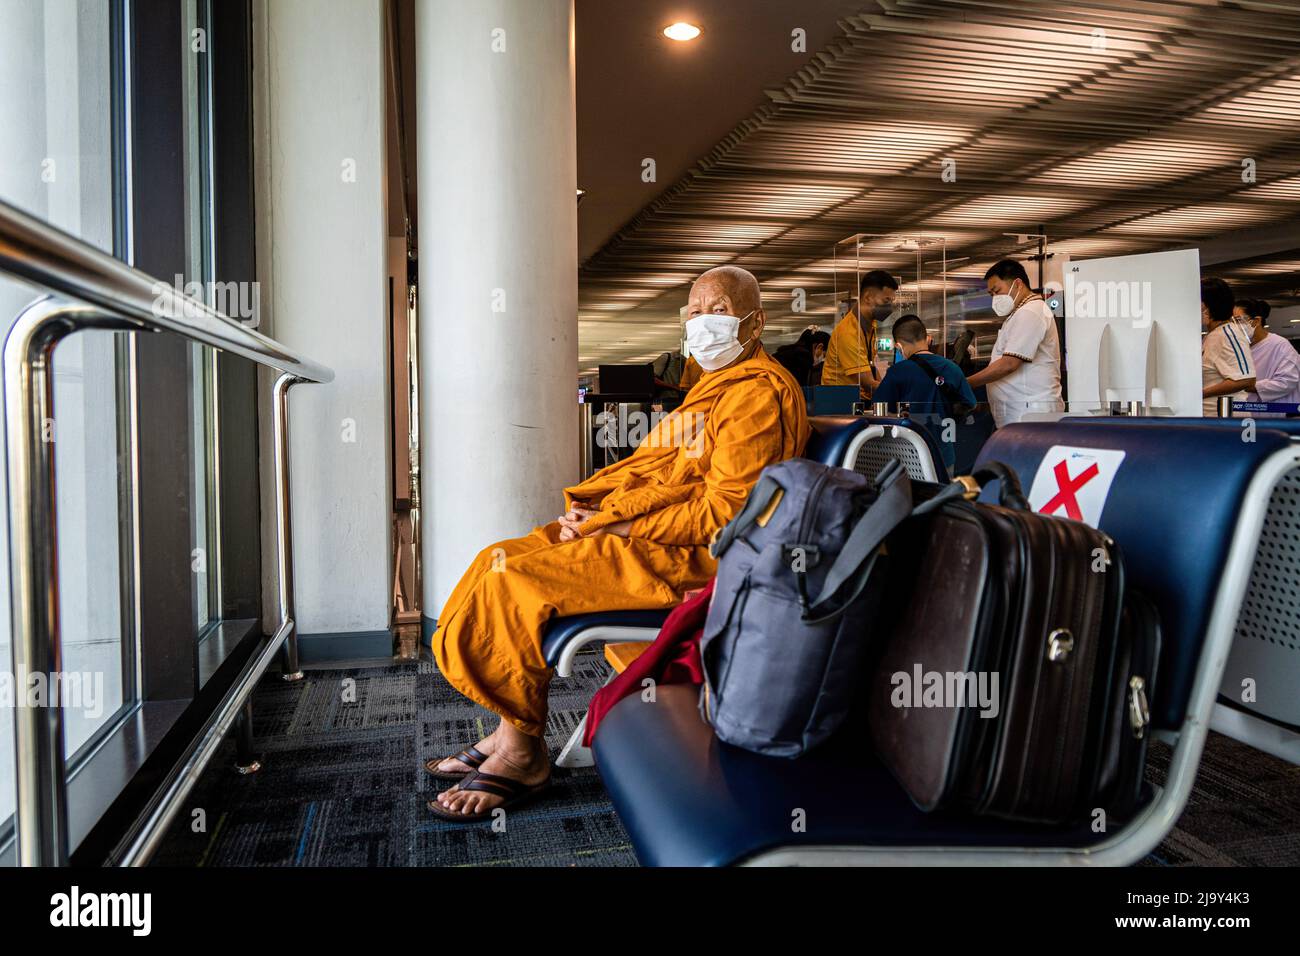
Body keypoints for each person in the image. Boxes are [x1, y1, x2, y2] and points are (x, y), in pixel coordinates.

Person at [426, 265, 810, 820]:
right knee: (498, 557)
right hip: (653, 533)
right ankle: (509, 725)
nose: (704, 323)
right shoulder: (709, 390)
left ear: (755, 322)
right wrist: (602, 508)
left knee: (514, 581)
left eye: (719, 310)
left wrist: (622, 525)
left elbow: (727, 513)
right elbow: (656, 469)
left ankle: (521, 753)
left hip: (694, 559)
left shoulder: (755, 395)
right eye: (696, 312)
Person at [872, 315, 976, 473]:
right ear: (927, 339)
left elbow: (879, 410)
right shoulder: (952, 368)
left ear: (899, 346)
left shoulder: (898, 372)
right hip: (945, 453)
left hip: (908, 454)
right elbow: (970, 404)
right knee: (943, 496)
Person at [966, 259, 1063, 426]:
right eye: (991, 294)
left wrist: (966, 384)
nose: (995, 298)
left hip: (1031, 413)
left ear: (1018, 284)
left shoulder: (1031, 311)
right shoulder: (1020, 313)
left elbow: (1009, 363)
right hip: (1020, 413)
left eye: (997, 291)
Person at [821, 269, 898, 396]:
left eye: (891, 301)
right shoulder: (849, 332)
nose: (889, 306)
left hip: (856, 400)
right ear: (868, 297)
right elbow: (868, 383)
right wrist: (899, 392)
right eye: (886, 301)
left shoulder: (869, 325)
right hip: (840, 404)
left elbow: (871, 369)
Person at [1200, 277, 1256, 417]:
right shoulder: (1213, 335)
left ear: (1206, 306)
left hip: (1226, 419)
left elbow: (1245, 379)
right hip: (1210, 417)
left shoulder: (1229, 334)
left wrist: (1200, 394)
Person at [1235, 298, 1300, 412]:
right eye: (1231, 322)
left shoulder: (1280, 345)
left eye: (1238, 320)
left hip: (1276, 414)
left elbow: (1287, 381)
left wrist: (1249, 386)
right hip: (1246, 413)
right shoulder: (1239, 347)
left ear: (1256, 321)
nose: (1234, 326)